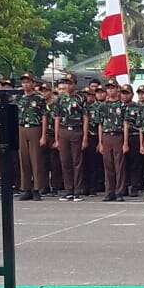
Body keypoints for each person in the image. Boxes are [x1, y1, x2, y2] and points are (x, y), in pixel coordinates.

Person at [51, 77, 89, 202]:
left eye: (70, 83)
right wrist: (56, 138)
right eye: (65, 83)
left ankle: (77, 191)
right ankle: (68, 190)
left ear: (75, 84)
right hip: (63, 130)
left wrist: (84, 137)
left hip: (76, 130)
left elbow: (85, 118)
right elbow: (56, 118)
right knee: (65, 161)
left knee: (77, 162)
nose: (67, 86)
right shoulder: (60, 99)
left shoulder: (80, 98)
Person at [15, 73, 47, 201]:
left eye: (28, 82)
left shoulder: (39, 98)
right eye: (23, 82)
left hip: (35, 128)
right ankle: (26, 188)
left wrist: (43, 135)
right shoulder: (19, 98)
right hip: (22, 128)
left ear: (33, 83)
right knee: (24, 160)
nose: (25, 84)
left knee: (36, 160)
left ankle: (37, 189)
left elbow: (44, 116)